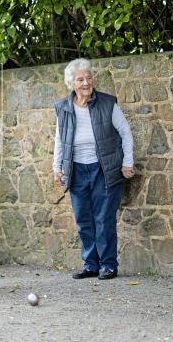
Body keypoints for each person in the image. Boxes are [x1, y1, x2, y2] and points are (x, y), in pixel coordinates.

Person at [53, 58, 135, 280]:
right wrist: (57, 167)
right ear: (71, 83)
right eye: (80, 79)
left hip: (104, 168)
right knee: (83, 219)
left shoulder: (108, 104)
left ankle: (108, 264)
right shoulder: (63, 108)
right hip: (76, 169)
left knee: (104, 218)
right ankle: (91, 264)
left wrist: (128, 162)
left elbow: (125, 133)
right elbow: (60, 140)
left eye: (89, 78)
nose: (86, 82)